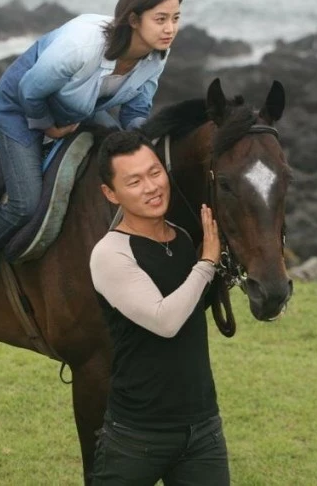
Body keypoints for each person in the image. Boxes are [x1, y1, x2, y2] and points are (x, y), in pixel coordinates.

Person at [0, 0, 185, 302]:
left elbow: (137, 110)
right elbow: (30, 90)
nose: (170, 29)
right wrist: (48, 126)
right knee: (24, 204)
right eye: (161, 19)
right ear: (134, 19)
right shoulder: (81, 46)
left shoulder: (156, 55)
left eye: (176, 18)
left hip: (77, 110)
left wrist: (139, 150)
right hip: (22, 107)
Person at [89, 130, 229, 485]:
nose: (151, 187)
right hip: (136, 437)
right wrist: (207, 262)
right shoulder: (110, 254)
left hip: (203, 430)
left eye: (155, 172)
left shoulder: (182, 239)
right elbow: (164, 320)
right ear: (110, 193)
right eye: (134, 181)